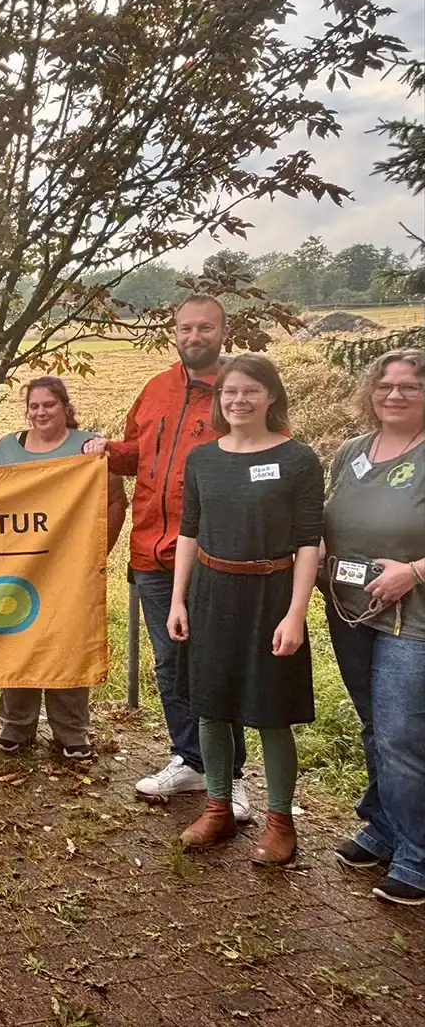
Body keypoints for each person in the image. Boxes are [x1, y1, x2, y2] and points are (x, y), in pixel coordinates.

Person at [84, 296, 252, 821]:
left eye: (205, 327)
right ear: (174, 331)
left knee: (216, 663)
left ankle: (231, 776)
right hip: (152, 554)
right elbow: (137, 454)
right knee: (170, 663)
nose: (194, 336)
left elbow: (267, 452)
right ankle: (190, 760)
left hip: (213, 557)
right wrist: (107, 450)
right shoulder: (156, 388)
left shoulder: (239, 393)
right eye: (186, 328)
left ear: (223, 331)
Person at [167, 355, 321, 865]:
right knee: (211, 707)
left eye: (251, 390)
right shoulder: (202, 459)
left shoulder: (298, 459)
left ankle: (280, 823)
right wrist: (179, 599)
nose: (239, 400)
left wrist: (296, 612)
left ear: (271, 395)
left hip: (271, 595)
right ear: (219, 399)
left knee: (271, 713)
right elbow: (189, 530)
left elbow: (309, 541)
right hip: (212, 593)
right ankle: (218, 808)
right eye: (230, 391)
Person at [321, 348, 425, 905]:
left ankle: (418, 854)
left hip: (411, 618)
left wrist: (414, 571)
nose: (395, 395)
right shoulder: (351, 452)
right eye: (385, 385)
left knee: (402, 735)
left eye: (410, 386)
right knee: (373, 725)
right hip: (348, 610)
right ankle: (383, 827)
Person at [0, 377, 127, 760]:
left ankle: (71, 731)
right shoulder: (6, 449)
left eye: (49, 405)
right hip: (18, 565)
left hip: (72, 567)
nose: (41, 412)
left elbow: (116, 501)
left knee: (67, 644)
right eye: (34, 406)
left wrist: (98, 553)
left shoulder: (89, 447)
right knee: (19, 638)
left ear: (65, 407)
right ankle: (16, 726)